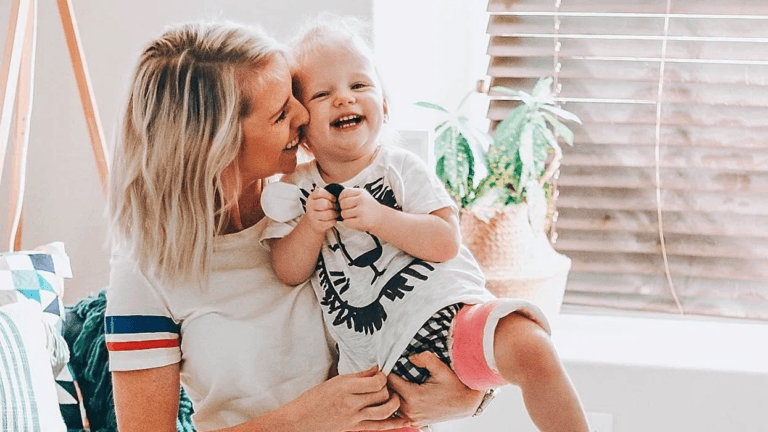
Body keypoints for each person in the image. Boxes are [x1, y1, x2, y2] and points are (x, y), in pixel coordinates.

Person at [104, 21, 486, 432]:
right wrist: (304, 420)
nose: (304, 114)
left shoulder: (317, 200)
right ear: (218, 145)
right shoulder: (145, 271)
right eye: (281, 113)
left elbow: (443, 291)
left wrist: (469, 397)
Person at [260, 16, 590, 432]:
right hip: (373, 367)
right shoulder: (296, 188)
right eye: (323, 94)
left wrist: (381, 218)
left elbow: (445, 242)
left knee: (531, 346)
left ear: (383, 105)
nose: (344, 99)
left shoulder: (400, 167)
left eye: (359, 86)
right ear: (302, 130)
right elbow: (287, 271)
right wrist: (310, 228)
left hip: (451, 317)